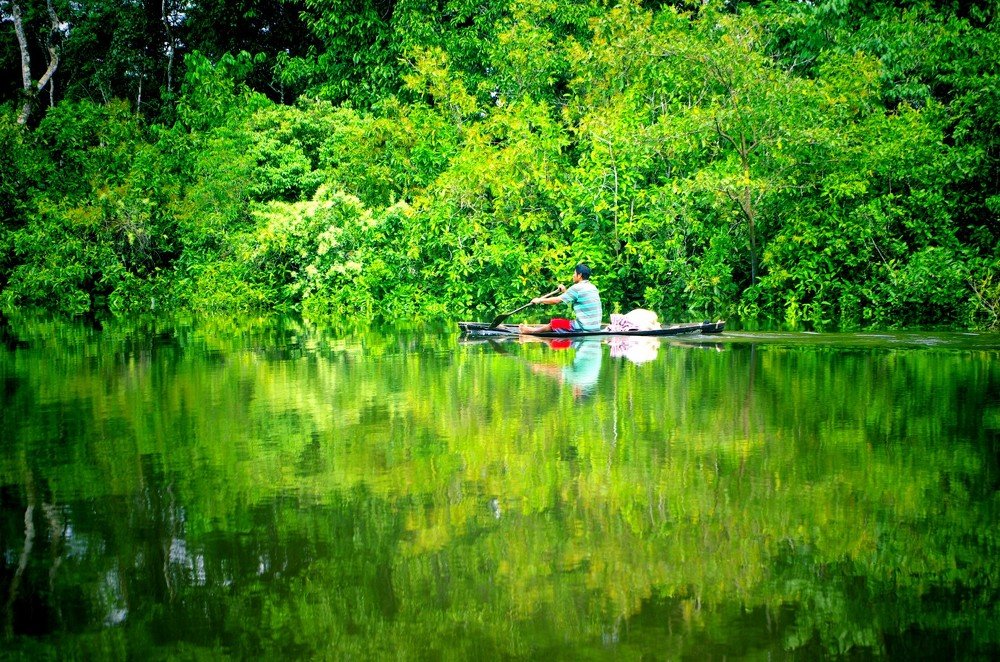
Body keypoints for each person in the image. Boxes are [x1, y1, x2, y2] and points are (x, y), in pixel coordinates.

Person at [519, 263, 603, 334]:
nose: (573, 276)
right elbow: (573, 298)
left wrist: (539, 300)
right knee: (562, 323)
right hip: (595, 327)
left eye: (574, 273)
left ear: (579, 275)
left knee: (554, 323)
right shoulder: (593, 287)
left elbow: (557, 300)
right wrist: (564, 291)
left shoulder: (577, 288)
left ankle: (531, 331)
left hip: (584, 327)